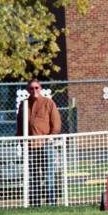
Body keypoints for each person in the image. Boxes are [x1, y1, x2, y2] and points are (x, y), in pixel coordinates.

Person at [16, 79, 62, 207]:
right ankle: (35, 203)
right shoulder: (23, 105)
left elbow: (56, 123)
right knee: (34, 176)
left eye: (36, 88)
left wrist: (51, 137)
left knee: (48, 175)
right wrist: (21, 141)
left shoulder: (48, 103)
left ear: (40, 88)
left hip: (45, 144)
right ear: (27, 91)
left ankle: (51, 203)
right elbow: (19, 125)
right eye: (31, 88)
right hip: (30, 146)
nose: (34, 90)